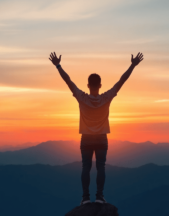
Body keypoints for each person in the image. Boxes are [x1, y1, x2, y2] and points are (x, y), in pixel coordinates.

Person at [49, 52, 144, 205]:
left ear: (88, 85)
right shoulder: (106, 97)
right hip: (101, 138)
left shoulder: (82, 97)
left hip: (86, 137)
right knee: (101, 167)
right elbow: (122, 80)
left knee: (85, 167)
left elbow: (68, 81)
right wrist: (133, 65)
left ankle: (85, 198)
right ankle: (99, 197)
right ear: (100, 85)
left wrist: (58, 65)